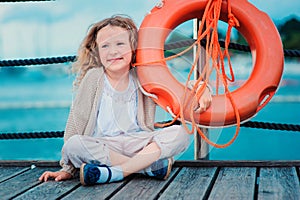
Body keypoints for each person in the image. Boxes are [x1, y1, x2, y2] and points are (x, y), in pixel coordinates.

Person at [39, 15, 212, 185]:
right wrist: (67, 169)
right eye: (105, 46)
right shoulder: (94, 78)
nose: (113, 51)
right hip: (104, 145)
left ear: (133, 47)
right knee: (73, 144)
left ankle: (115, 173)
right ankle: (146, 168)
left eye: (120, 44)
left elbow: (174, 88)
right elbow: (77, 122)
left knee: (179, 134)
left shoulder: (142, 76)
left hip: (138, 143)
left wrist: (201, 88)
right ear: (97, 52)